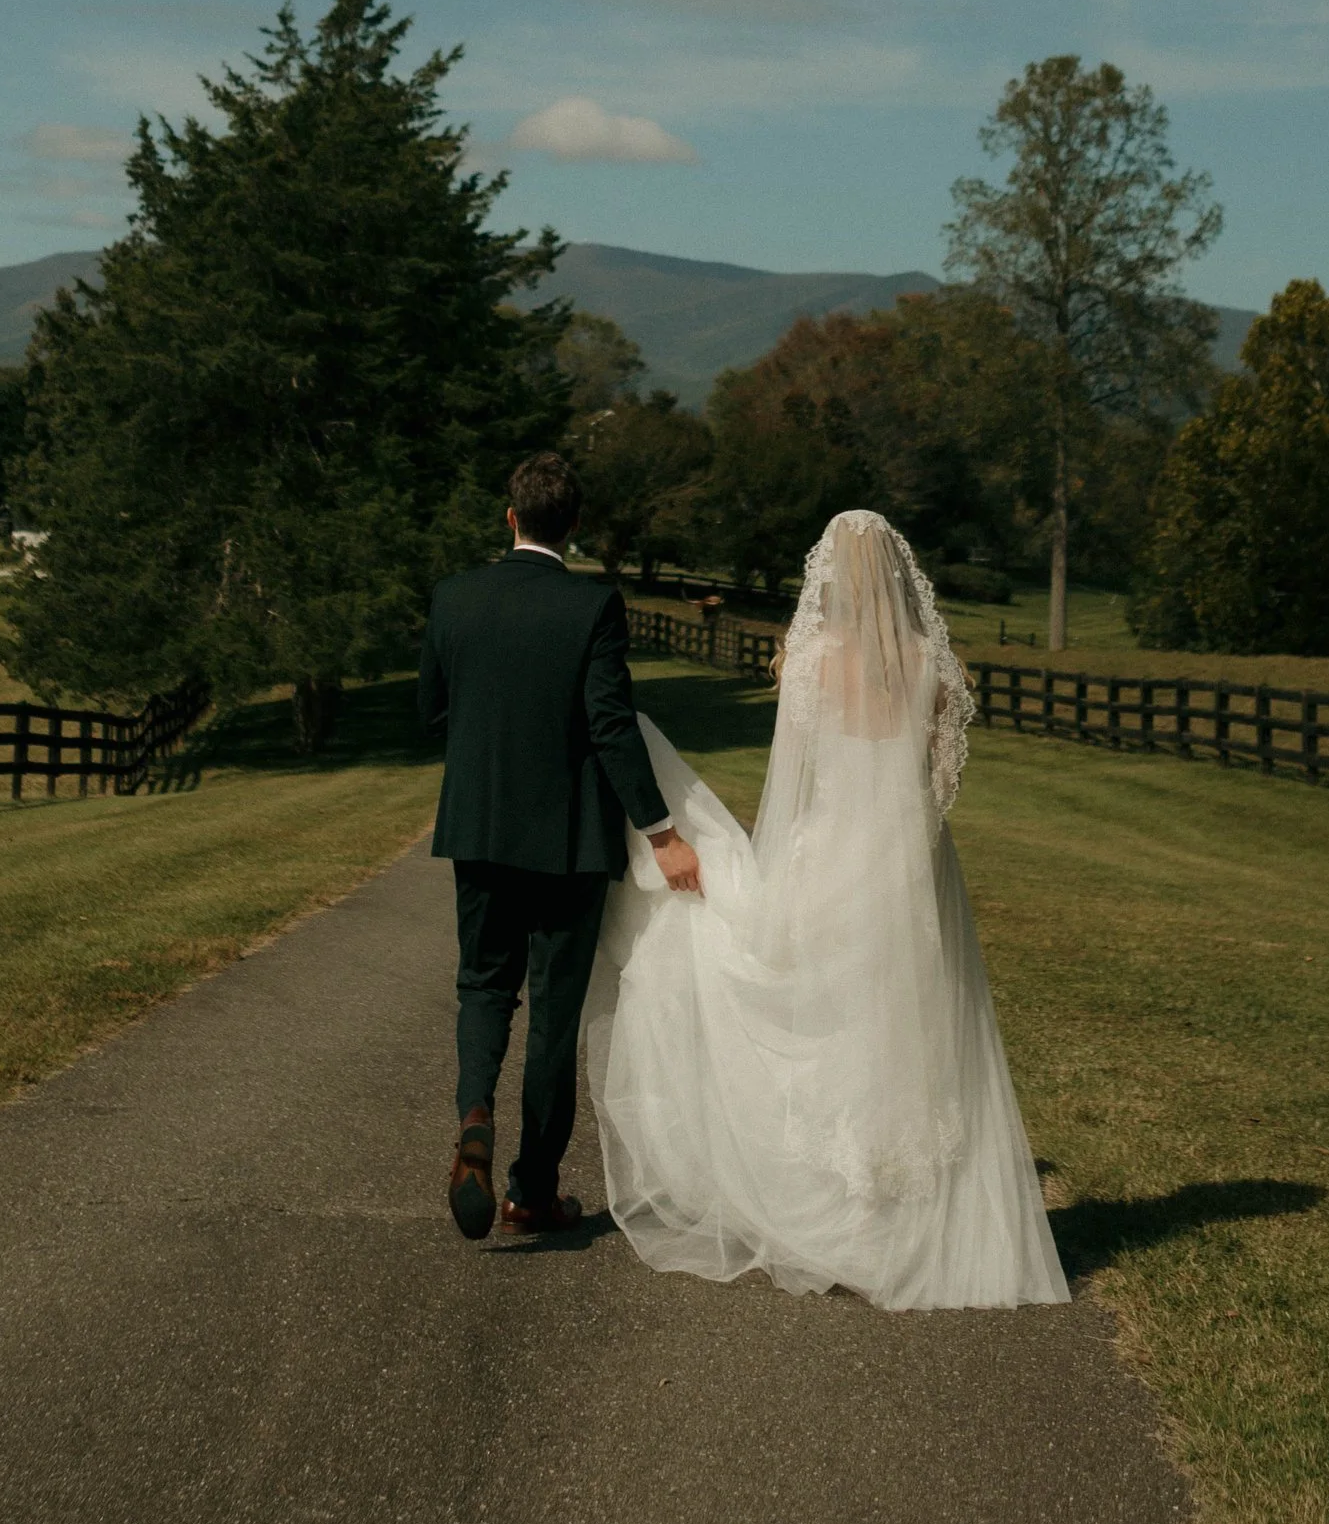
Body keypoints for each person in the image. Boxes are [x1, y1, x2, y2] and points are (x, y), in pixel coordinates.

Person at [584, 508, 1069, 1309]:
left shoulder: (812, 660)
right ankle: (917, 1219)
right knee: (909, 1025)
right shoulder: (934, 666)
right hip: (913, 863)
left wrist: (788, 856)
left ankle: (842, 1216)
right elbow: (940, 784)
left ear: (831, 578)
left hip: (833, 848)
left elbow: (795, 779)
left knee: (829, 1019)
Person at [418, 449, 702, 1248]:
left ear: (510, 517)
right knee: (553, 1016)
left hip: (477, 827)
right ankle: (530, 1191)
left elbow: (431, 713)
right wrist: (664, 833)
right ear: (573, 526)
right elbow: (610, 726)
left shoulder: (452, 597)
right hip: (571, 841)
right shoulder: (593, 606)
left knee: (483, 984)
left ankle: (475, 1112)